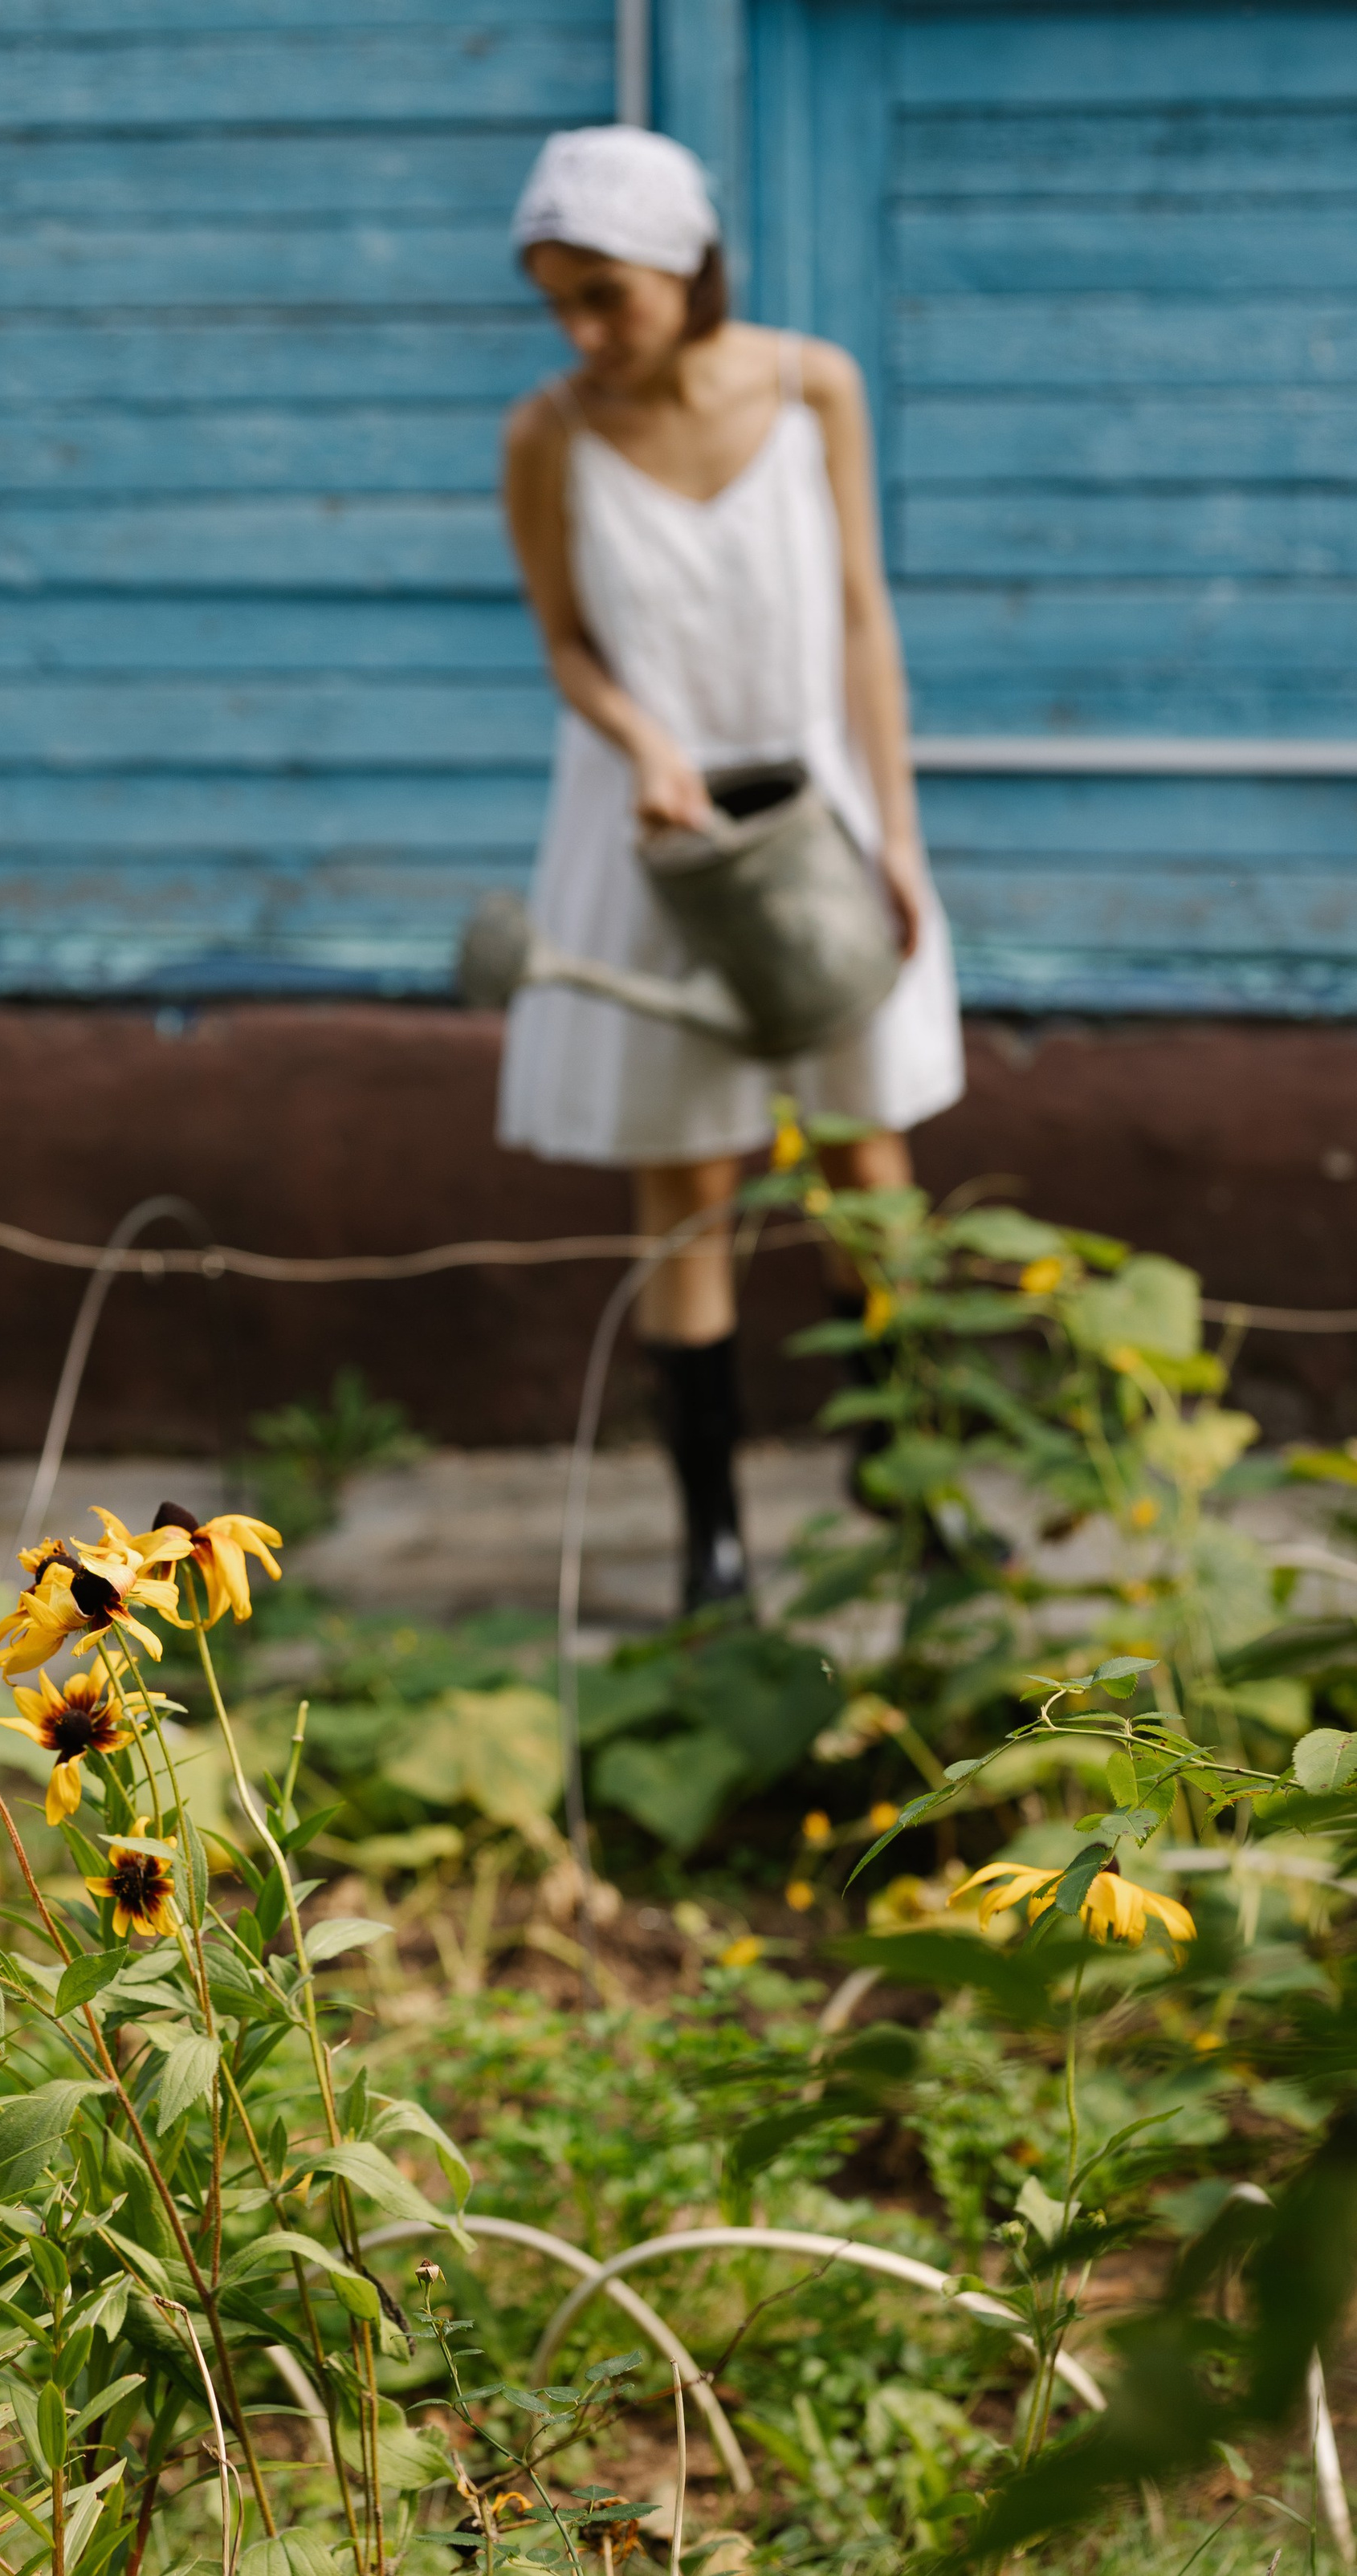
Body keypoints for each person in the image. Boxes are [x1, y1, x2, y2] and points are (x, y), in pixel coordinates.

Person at [497, 124, 964, 1613]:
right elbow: (567, 641)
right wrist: (645, 739)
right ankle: (714, 1545)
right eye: (557, 304)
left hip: (818, 819)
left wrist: (896, 835)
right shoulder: (548, 437)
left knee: (866, 1156)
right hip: (659, 833)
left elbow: (864, 621)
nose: (583, 334)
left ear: (687, 269)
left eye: (606, 298)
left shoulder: (815, 387)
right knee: (690, 1176)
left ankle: (911, 1489)